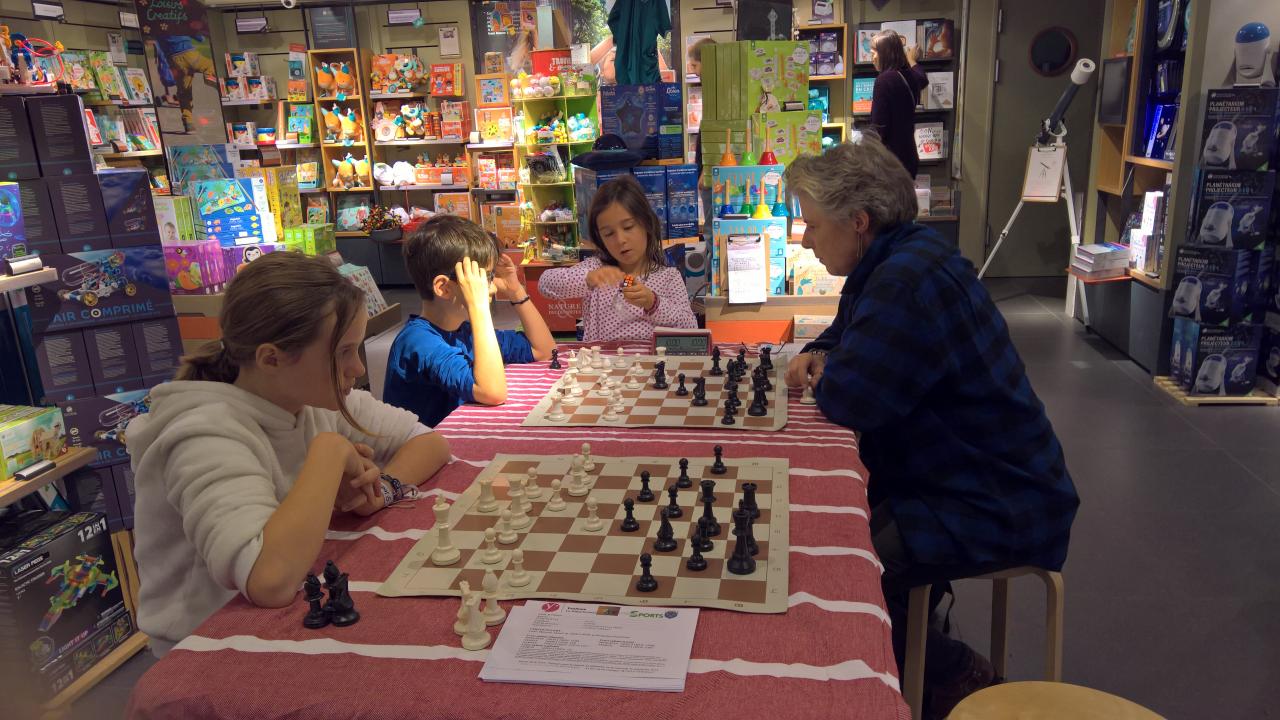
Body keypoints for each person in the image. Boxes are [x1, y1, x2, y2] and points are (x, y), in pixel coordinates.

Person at [782, 138, 1079, 718]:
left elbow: (851, 398)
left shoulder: (905, 281)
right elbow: (841, 339)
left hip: (995, 500)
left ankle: (953, 671)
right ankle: (922, 651)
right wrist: (823, 354)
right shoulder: (893, 258)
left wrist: (826, 366)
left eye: (812, 225)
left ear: (858, 221)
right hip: (968, 477)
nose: (805, 239)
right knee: (836, 535)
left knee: (838, 571)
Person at [127, 253, 452, 657]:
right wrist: (331, 454)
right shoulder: (203, 432)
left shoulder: (308, 395)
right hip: (203, 649)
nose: (357, 369)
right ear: (271, 359)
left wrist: (381, 490)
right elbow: (270, 581)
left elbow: (429, 442)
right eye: (343, 352)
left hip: (289, 611)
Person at [383, 215, 554, 427]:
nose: (492, 287)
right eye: (483, 279)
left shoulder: (464, 331)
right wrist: (479, 307)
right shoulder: (418, 341)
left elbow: (544, 350)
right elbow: (493, 392)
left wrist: (515, 290)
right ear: (444, 288)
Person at [537, 175, 697, 342]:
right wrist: (587, 279)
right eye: (609, 234)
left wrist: (653, 303)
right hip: (600, 358)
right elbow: (545, 283)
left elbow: (691, 328)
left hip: (651, 358)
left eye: (628, 227)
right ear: (600, 238)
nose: (620, 240)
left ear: (647, 223)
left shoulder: (668, 277)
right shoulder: (596, 269)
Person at [869, 30, 928, 176]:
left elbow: (879, 127)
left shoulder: (884, 81)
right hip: (908, 158)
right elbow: (922, 78)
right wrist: (912, 59)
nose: (872, 58)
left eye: (874, 53)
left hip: (889, 163)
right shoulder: (909, 75)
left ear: (885, 54)